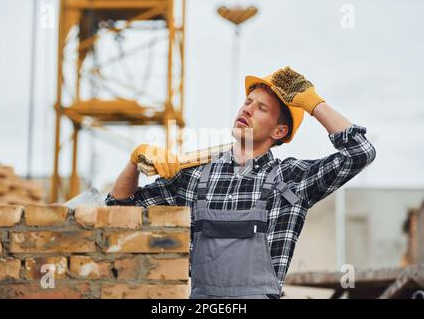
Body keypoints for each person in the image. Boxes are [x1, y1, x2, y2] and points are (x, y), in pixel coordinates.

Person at [105, 66, 377, 299]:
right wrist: (134, 163)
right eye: (247, 102)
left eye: (261, 108)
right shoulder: (194, 176)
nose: (247, 109)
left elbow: (360, 153)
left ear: (279, 131)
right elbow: (118, 211)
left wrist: (314, 104)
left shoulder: (292, 180)